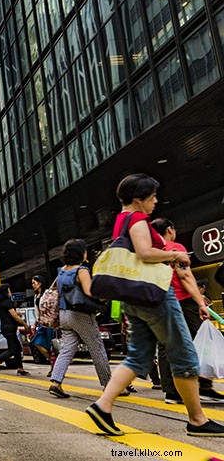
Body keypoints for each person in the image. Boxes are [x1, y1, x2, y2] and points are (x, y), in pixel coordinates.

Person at [85, 173, 224, 437]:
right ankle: (197, 420)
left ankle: (103, 405)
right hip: (156, 295)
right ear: (139, 199)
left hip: (134, 300)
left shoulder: (120, 221)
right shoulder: (138, 219)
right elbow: (144, 252)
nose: (156, 202)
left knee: (138, 357)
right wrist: (175, 254)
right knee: (184, 354)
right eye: (152, 197)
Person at [150, 218, 224, 404]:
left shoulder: (152, 252)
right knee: (200, 340)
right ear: (170, 229)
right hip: (182, 302)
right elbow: (185, 276)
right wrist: (200, 302)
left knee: (166, 347)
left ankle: (171, 392)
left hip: (159, 303)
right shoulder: (175, 249)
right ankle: (204, 386)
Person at [47, 239, 112, 398]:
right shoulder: (81, 270)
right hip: (80, 314)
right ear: (81, 253)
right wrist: (105, 296)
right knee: (97, 347)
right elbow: (90, 292)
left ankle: (56, 382)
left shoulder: (61, 271)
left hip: (64, 315)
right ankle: (109, 386)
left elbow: (52, 289)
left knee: (67, 349)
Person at [0, 283, 30, 377]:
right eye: (9, 290)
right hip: (9, 328)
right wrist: (25, 324)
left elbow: (10, 314)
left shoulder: (1, 302)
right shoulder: (7, 302)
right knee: (13, 349)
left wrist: (17, 313)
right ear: (5, 292)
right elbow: (14, 316)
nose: (10, 292)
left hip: (6, 328)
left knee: (17, 348)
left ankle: (20, 368)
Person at [30, 275, 53, 374]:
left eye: (34, 283)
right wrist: (35, 324)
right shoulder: (36, 296)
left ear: (40, 283)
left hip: (50, 323)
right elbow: (37, 312)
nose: (33, 285)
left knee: (52, 345)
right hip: (41, 323)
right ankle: (53, 362)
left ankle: (54, 367)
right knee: (36, 342)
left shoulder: (48, 293)